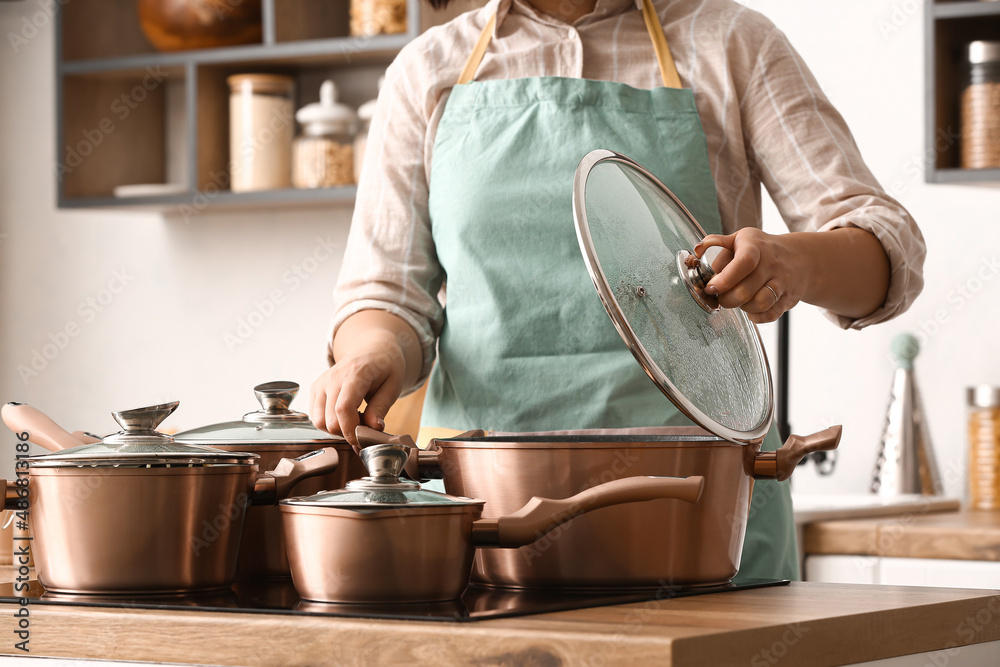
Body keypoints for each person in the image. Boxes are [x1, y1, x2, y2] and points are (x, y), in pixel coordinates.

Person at [310, 0, 926, 581]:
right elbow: (387, 295)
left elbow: (888, 253)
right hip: (487, 515)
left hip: (702, 512)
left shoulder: (731, 44)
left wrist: (797, 261)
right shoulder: (428, 71)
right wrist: (376, 353)